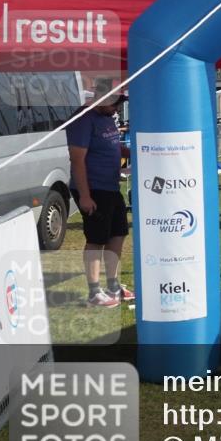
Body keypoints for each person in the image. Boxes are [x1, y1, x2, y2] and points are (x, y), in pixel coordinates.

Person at [66, 80, 135, 308]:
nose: (117, 108)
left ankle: (113, 285)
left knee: (118, 234)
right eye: (115, 103)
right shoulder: (83, 119)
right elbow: (77, 160)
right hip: (93, 188)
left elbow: (113, 146)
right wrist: (85, 196)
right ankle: (94, 292)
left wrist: (132, 152)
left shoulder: (107, 118)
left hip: (111, 186)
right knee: (96, 239)